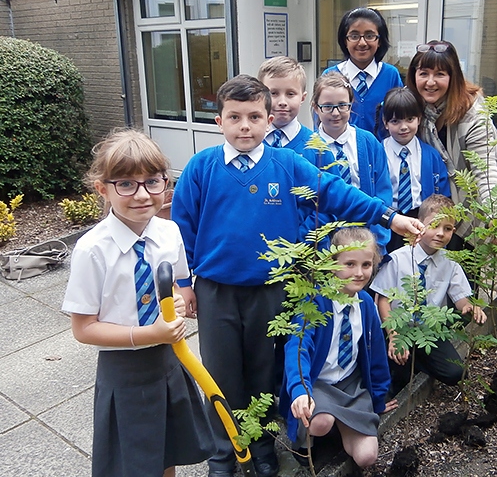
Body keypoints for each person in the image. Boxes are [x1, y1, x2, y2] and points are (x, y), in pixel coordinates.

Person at [170, 74, 425, 477]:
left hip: (272, 292)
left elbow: (336, 192)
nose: (245, 126)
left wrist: (390, 217)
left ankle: (262, 446)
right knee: (220, 375)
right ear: (218, 121)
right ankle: (224, 453)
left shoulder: (287, 165)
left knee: (263, 373)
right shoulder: (201, 169)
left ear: (269, 119)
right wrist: (184, 285)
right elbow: (181, 229)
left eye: (254, 116)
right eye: (234, 117)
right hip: (217, 292)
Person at [62, 129, 215, 477]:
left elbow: (175, 286)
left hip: (169, 362)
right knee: (134, 463)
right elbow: (84, 329)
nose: (143, 195)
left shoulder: (168, 232)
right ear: (103, 188)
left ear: (165, 184)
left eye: (152, 182)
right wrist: (149, 332)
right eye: (126, 184)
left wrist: (175, 303)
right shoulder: (92, 250)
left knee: (166, 452)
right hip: (125, 373)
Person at [406, 40, 497, 283]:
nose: (430, 82)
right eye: (423, 73)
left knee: (476, 280)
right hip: (442, 211)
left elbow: (485, 171)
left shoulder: (472, 112)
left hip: (480, 206)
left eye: (440, 74)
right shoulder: (416, 109)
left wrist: (493, 215)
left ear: (453, 77)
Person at [280, 227, 397, 468]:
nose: (359, 272)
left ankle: (342, 426)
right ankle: (306, 446)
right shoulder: (315, 301)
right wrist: (300, 388)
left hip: (349, 385)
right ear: (332, 264)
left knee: (367, 457)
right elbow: (297, 347)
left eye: (366, 265)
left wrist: (378, 398)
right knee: (320, 422)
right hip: (318, 382)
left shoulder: (365, 304)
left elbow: (376, 355)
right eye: (350, 264)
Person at [370, 194, 487, 393]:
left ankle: (419, 360)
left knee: (456, 373)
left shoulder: (451, 264)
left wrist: (469, 307)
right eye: (434, 226)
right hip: (399, 330)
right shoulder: (398, 259)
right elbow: (382, 300)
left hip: (429, 333)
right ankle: (406, 365)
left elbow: (461, 299)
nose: (440, 233)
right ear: (419, 225)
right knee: (395, 382)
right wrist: (394, 335)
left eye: (447, 229)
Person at [257, 55, 337, 244]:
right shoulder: (251, 145)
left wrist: (300, 238)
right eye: (273, 93)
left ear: (303, 97)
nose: (282, 101)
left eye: (290, 94)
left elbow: (330, 203)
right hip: (258, 249)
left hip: (307, 252)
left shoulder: (319, 149)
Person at [312, 71, 393, 253]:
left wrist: (376, 242)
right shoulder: (308, 148)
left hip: (367, 241)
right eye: (327, 106)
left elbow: (383, 192)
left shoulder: (368, 142)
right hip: (327, 247)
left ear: (351, 106)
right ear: (316, 108)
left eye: (342, 105)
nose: (335, 113)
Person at [378, 86, 451, 254]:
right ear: (385, 123)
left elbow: (443, 195)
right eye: (396, 121)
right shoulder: (377, 152)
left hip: (421, 221)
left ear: (419, 119)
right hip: (389, 220)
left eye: (410, 119)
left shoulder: (431, 155)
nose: (404, 127)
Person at [324, 7, 403, 139]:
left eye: (370, 36)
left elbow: (402, 117)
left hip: (383, 156)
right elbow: (320, 122)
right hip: (341, 156)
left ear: (379, 41)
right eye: (354, 36)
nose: (362, 43)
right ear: (345, 40)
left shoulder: (391, 75)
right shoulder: (330, 75)